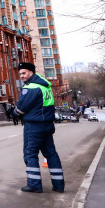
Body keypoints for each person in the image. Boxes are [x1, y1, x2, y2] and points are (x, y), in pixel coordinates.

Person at [13, 61, 64, 194]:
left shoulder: (31, 87)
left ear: (31, 72)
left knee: (30, 154)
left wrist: (15, 112)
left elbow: (21, 108)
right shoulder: (45, 86)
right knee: (51, 154)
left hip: (34, 125)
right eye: (20, 74)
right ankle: (59, 185)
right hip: (47, 124)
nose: (22, 76)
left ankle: (34, 184)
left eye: (24, 73)